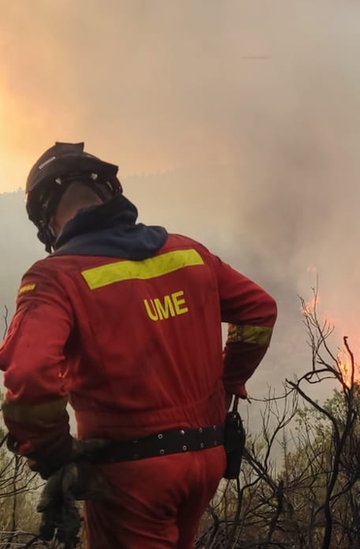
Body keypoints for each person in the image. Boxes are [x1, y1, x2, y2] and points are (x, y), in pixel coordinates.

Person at [0, 142, 277, 548]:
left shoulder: (55, 279)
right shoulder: (188, 253)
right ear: (111, 194)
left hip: (129, 477)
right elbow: (259, 312)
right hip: (206, 459)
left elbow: (28, 373)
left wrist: (53, 452)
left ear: (45, 219)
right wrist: (228, 382)